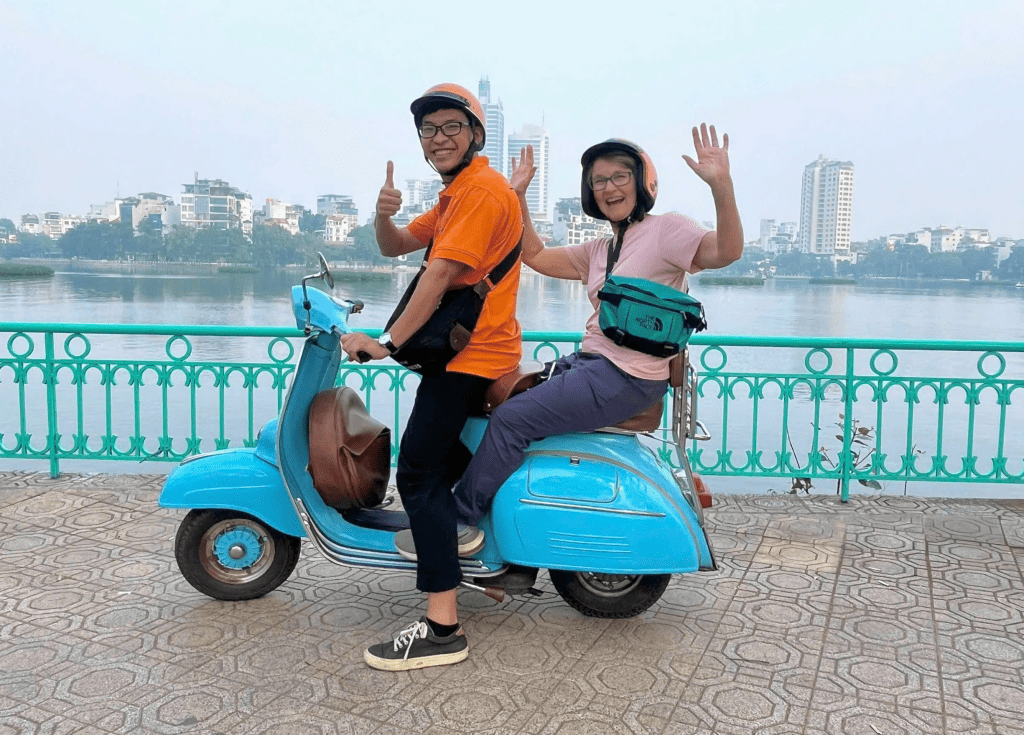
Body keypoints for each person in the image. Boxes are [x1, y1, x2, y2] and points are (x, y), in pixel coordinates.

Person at [449, 125, 743, 528]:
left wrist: (721, 186)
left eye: (619, 177)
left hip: (627, 377)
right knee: (491, 396)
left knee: (511, 420)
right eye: (598, 181)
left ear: (642, 183)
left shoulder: (666, 231)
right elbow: (534, 255)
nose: (608, 188)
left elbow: (726, 251)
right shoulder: (598, 250)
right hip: (594, 366)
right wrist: (518, 196)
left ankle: (456, 525)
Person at [339, 83, 523, 671]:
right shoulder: (456, 195)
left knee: (416, 471)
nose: (439, 138)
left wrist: (387, 343)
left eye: (450, 127)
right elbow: (399, 247)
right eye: (429, 130)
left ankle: (443, 627)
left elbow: (440, 274)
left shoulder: (481, 192)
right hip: (464, 353)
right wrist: (382, 214)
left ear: (475, 133)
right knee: (442, 465)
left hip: (474, 357)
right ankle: (467, 545)